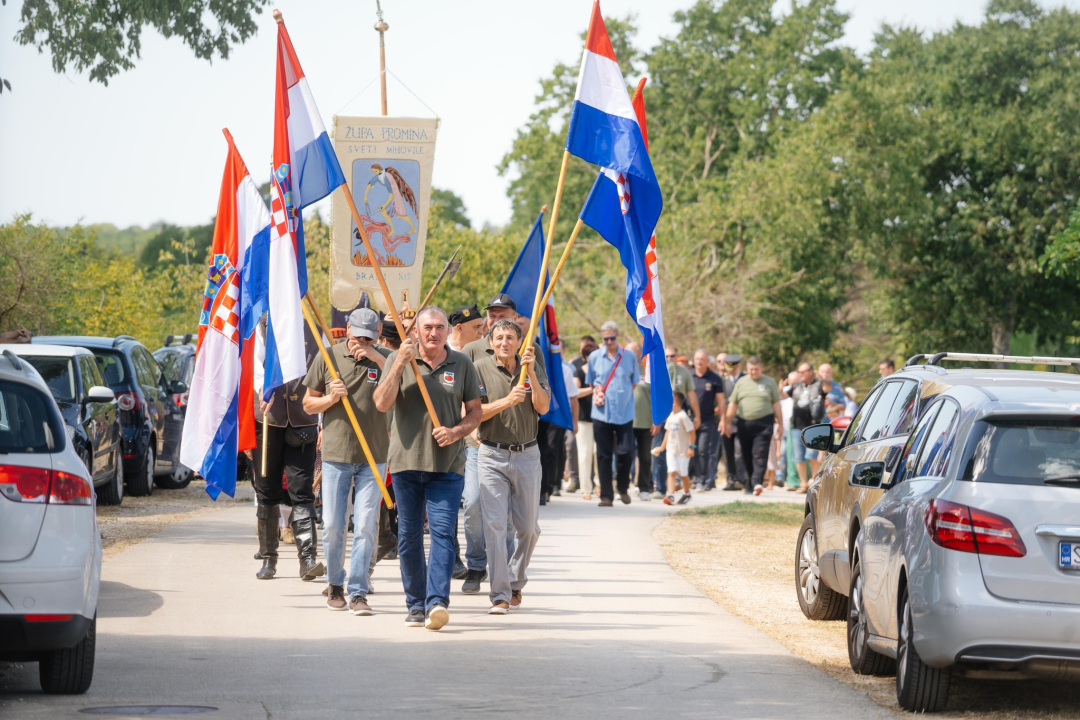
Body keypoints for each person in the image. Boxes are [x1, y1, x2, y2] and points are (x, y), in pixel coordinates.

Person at [373, 306, 482, 631]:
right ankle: (415, 604)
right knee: (407, 535)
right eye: (427, 327)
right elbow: (381, 403)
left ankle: (437, 602)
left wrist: (456, 432)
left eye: (439, 327)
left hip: (447, 465)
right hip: (406, 464)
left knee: (443, 534)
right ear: (416, 332)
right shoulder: (398, 360)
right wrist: (400, 365)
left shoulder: (461, 364)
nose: (433, 333)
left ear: (449, 331)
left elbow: (475, 412)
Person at [302, 308, 388, 615]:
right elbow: (308, 403)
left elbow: (404, 383)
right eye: (357, 336)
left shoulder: (385, 358)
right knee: (333, 525)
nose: (361, 343)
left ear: (378, 335)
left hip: (374, 455)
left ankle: (358, 591)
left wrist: (377, 356)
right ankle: (335, 584)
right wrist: (329, 399)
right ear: (346, 330)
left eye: (368, 337)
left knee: (365, 526)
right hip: (337, 456)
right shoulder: (328, 357)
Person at [473, 319, 550, 613]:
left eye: (510, 337)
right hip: (491, 455)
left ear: (519, 342)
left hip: (527, 454)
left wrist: (529, 372)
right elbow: (473, 413)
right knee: (494, 527)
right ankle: (500, 594)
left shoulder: (530, 366)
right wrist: (507, 401)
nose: (504, 342)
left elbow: (543, 407)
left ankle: (516, 580)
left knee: (529, 529)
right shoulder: (479, 368)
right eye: (499, 337)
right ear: (491, 343)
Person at [252, 319, 324, 582]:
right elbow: (254, 367)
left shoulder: (315, 330)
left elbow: (325, 374)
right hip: (267, 419)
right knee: (267, 489)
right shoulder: (261, 327)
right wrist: (264, 389)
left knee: (302, 490)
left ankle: (307, 559)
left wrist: (324, 422)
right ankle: (268, 557)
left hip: (303, 420)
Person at [447, 304, 488, 594]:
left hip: (471, 440)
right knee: (445, 506)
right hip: (441, 442)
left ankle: (477, 563)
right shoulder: (436, 352)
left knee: (472, 502)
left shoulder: (478, 354)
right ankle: (452, 559)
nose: (483, 331)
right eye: (477, 328)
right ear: (459, 329)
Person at [585, 320, 639, 506]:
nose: (608, 342)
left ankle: (623, 489)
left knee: (626, 451)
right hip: (601, 412)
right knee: (603, 455)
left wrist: (620, 393)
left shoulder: (630, 356)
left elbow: (634, 382)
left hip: (625, 411)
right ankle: (606, 496)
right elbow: (591, 383)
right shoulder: (594, 357)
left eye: (612, 338)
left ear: (618, 337)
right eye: (605, 338)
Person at [725, 356, 782, 496]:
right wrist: (726, 422)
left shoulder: (769, 382)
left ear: (761, 368)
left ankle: (757, 481)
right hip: (744, 423)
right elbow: (733, 404)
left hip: (764, 423)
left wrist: (780, 423)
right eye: (750, 369)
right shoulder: (741, 382)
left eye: (756, 369)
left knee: (760, 453)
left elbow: (776, 404)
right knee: (746, 454)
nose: (753, 372)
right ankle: (750, 483)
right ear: (747, 369)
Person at [785, 363, 825, 493]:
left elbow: (828, 388)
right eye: (799, 372)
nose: (800, 375)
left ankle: (814, 481)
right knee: (799, 457)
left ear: (811, 372)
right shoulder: (796, 385)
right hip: (797, 426)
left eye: (802, 372)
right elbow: (785, 396)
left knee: (812, 455)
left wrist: (823, 378)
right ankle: (803, 484)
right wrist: (781, 389)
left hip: (814, 426)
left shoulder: (819, 384)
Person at [689, 349, 725, 491]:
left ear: (707, 361)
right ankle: (690, 478)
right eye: (697, 359)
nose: (699, 362)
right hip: (689, 421)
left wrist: (723, 419)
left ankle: (702, 479)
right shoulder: (689, 375)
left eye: (702, 359)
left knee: (703, 450)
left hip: (707, 420)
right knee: (690, 450)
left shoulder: (714, 378)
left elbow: (721, 401)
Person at [655, 391, 695, 505]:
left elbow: (691, 431)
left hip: (683, 451)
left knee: (683, 474)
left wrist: (691, 447)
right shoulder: (670, 416)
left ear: (675, 402)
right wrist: (662, 447)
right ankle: (671, 495)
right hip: (671, 450)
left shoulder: (683, 416)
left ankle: (687, 493)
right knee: (671, 472)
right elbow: (667, 432)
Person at [626, 342, 653, 501]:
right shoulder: (623, 369)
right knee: (624, 455)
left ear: (639, 354)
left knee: (645, 457)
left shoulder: (648, 371)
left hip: (645, 422)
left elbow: (656, 397)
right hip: (626, 421)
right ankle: (622, 488)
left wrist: (656, 421)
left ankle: (644, 488)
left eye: (633, 353)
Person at [571, 336, 597, 499]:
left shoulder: (603, 371)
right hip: (583, 418)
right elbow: (575, 392)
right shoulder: (578, 370)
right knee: (585, 453)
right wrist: (593, 390)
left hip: (601, 418)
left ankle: (601, 485)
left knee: (599, 452)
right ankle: (586, 488)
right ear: (585, 357)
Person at [720, 354, 745, 491]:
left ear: (739, 365)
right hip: (726, 420)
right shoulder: (722, 380)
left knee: (739, 452)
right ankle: (730, 479)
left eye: (733, 366)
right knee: (727, 452)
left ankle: (739, 479)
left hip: (741, 420)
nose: (731, 369)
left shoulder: (745, 378)